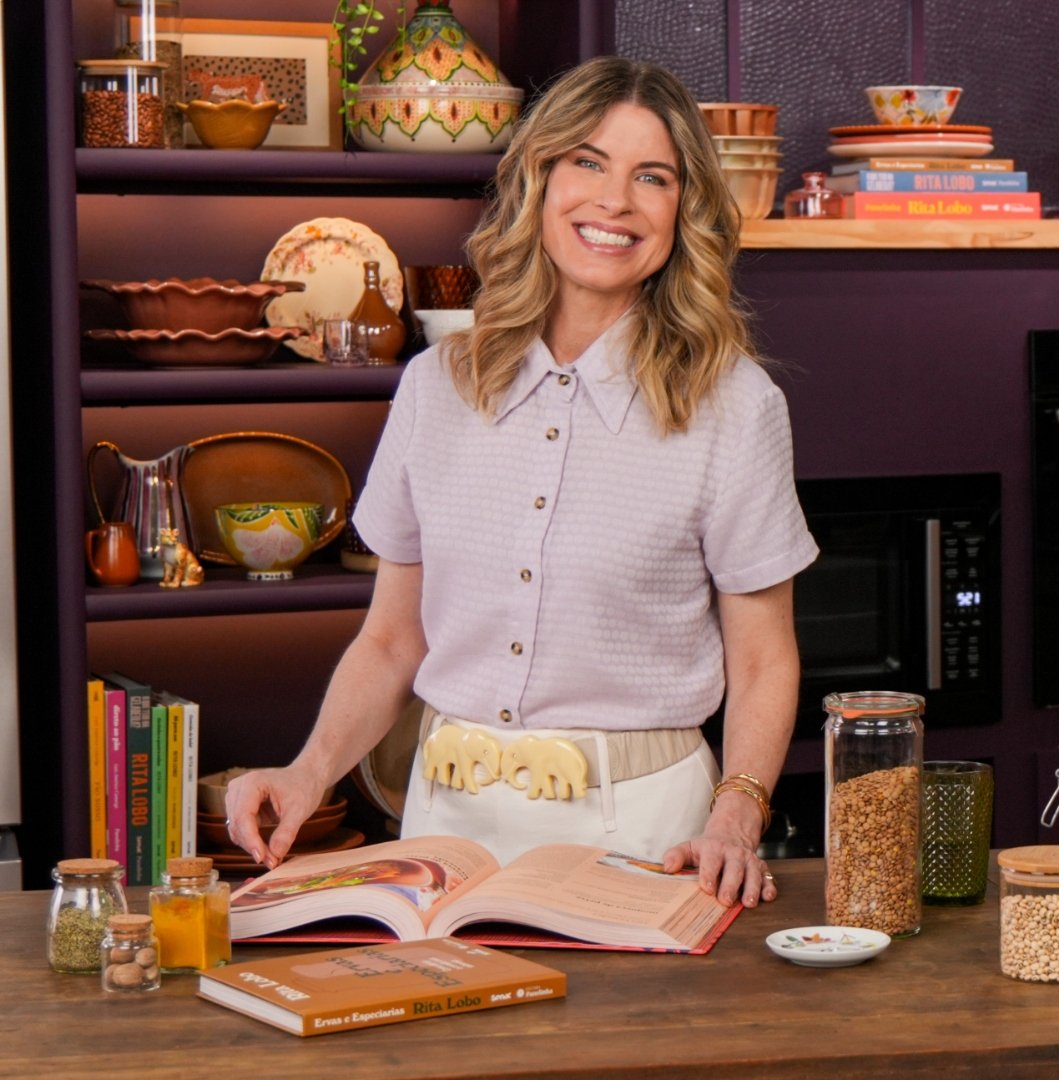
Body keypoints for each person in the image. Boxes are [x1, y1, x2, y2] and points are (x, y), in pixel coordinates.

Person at [225, 56, 818, 911]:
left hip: (645, 834)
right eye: (586, 162)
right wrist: (310, 770)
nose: (614, 201)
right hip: (444, 830)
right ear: (537, 180)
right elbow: (394, 640)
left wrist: (736, 817)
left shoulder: (735, 405)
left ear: (682, 210)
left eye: (651, 177)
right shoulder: (436, 386)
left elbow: (763, 660)